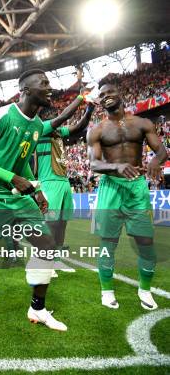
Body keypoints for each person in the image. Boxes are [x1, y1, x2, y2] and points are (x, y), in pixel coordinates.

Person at [0, 69, 77, 339]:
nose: (49, 87)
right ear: (25, 90)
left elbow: (21, 163)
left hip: (16, 194)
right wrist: (13, 178)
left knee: (47, 245)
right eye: (43, 83)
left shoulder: (34, 126)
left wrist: (36, 190)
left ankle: (38, 309)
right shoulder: (1, 116)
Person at [87, 80, 167, 310]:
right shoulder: (97, 130)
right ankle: (107, 290)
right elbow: (94, 164)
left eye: (109, 92)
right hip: (111, 188)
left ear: (119, 93)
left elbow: (161, 150)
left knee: (145, 242)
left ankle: (144, 289)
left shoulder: (142, 123)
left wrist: (155, 160)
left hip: (136, 188)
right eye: (101, 95)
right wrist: (116, 167)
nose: (105, 97)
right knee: (107, 243)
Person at [35, 102, 95, 276]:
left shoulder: (59, 133)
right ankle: (43, 261)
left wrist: (89, 109)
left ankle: (56, 259)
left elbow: (79, 126)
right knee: (51, 223)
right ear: (46, 118)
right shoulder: (42, 129)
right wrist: (80, 97)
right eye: (53, 116)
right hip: (48, 183)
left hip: (63, 182)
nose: (56, 119)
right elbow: (64, 117)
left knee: (62, 224)